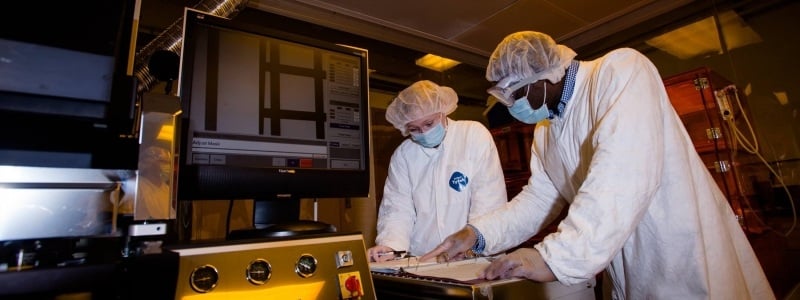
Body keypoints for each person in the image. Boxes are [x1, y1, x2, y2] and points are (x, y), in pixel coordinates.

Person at [420, 31, 775, 299]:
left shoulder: (620, 71)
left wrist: (554, 257)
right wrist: (477, 234)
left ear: (541, 79)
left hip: (682, 257)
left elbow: (622, 175)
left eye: (513, 95)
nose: (512, 107)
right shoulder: (548, 130)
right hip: (626, 266)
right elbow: (539, 200)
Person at [366, 80, 508, 262]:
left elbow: (488, 201)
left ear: (442, 111)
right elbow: (397, 209)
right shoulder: (404, 155)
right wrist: (391, 246)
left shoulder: (472, 135)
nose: (424, 132)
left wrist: (472, 246)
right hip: (424, 259)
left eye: (429, 123)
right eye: (414, 129)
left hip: (472, 258)